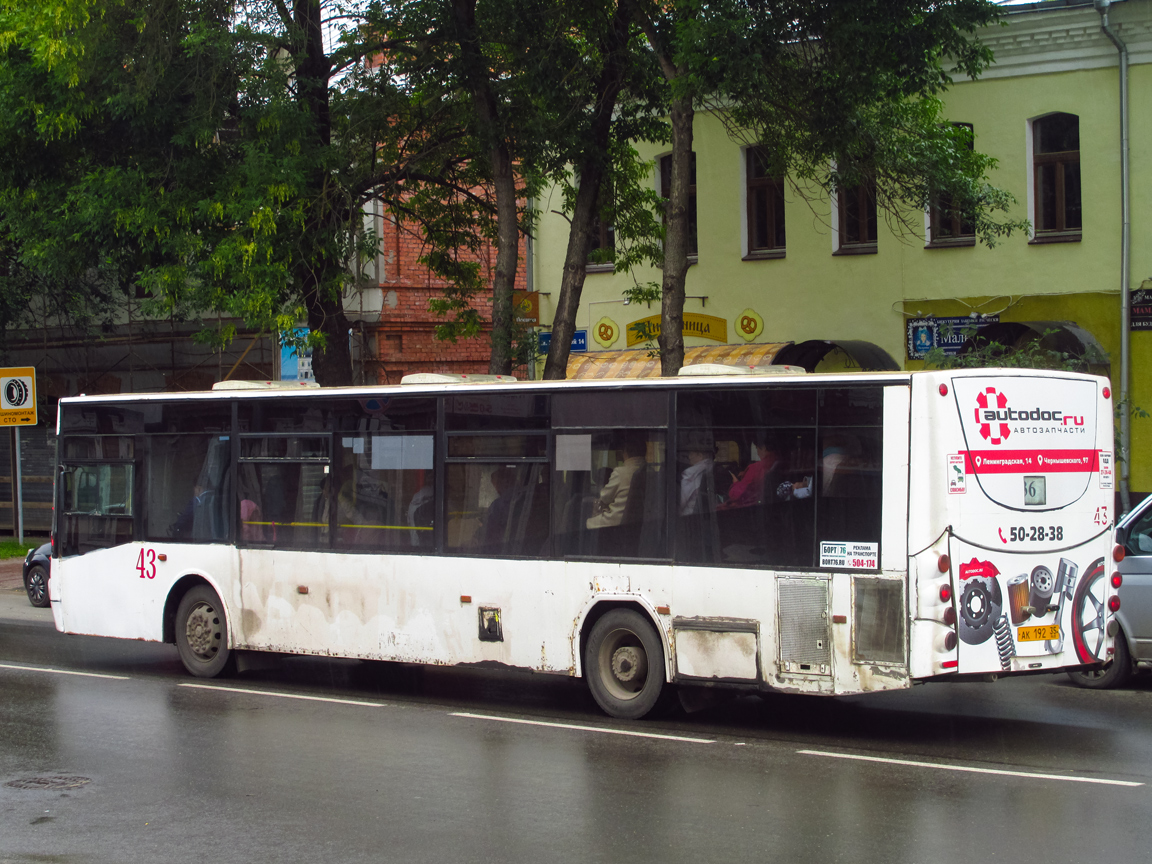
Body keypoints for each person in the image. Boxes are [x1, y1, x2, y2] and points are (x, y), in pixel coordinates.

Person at [587, 434, 647, 529]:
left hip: (616, 520)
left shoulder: (620, 472)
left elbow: (604, 497)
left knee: (587, 522)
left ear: (626, 453)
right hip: (638, 521)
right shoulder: (649, 472)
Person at [679, 434, 715, 516]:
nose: (689, 457)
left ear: (700, 456)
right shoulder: (713, 468)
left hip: (690, 516)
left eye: (691, 454)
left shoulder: (689, 474)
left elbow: (682, 501)